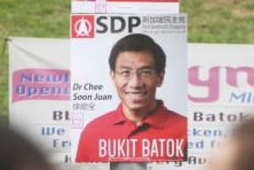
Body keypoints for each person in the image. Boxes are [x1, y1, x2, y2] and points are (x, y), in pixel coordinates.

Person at [75, 33, 187, 163]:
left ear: (160, 78)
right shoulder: (92, 132)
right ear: (113, 77)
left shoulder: (185, 130)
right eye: (125, 73)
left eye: (145, 73)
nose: (135, 83)